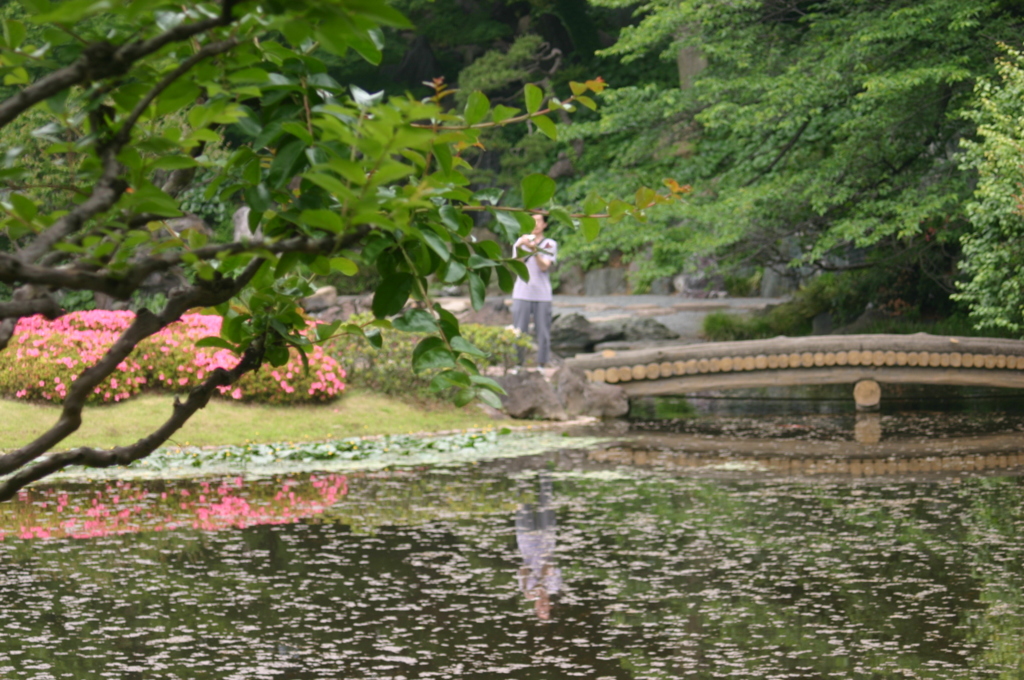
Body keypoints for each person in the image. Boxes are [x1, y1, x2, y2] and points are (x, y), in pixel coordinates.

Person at [512, 214, 557, 366]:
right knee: (519, 332)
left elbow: (544, 266)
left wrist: (534, 250)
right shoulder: (519, 242)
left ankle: (542, 366)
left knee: (543, 333)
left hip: (542, 295)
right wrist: (520, 246)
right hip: (521, 293)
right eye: (532, 221)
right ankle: (517, 364)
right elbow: (516, 264)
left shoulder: (549, 244)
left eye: (539, 221)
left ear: (545, 224)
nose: (536, 224)